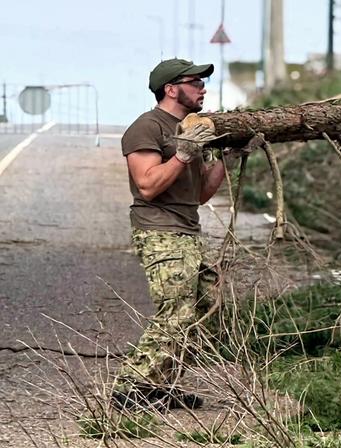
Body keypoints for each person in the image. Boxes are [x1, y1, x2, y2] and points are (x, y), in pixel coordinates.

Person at [114, 58, 255, 411]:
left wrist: (227, 158)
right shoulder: (147, 128)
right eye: (195, 82)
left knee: (207, 308)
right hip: (160, 230)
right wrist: (182, 153)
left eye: (203, 82)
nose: (203, 88)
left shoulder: (193, 128)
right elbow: (147, 186)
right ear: (171, 89)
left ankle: (160, 384)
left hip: (188, 228)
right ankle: (129, 386)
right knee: (175, 312)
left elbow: (201, 193)